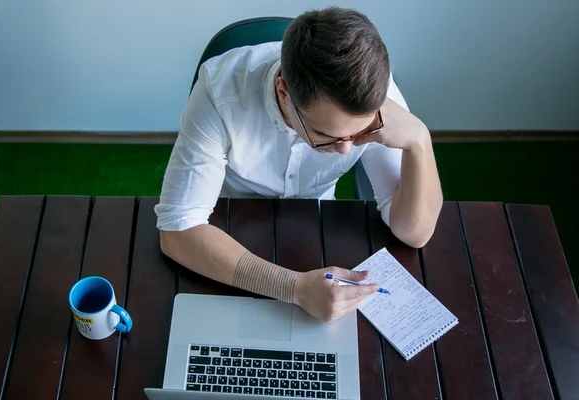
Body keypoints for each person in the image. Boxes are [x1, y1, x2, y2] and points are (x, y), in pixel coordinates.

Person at [155, 7, 442, 322]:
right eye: (326, 136)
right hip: (227, 227)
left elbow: (415, 234)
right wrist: (294, 288)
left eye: (360, 133)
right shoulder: (219, 92)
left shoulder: (375, 93)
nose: (347, 150)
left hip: (317, 222)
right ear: (283, 92)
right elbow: (178, 230)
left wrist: (418, 139)